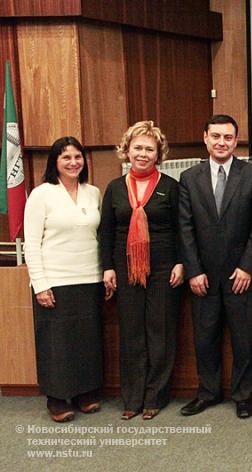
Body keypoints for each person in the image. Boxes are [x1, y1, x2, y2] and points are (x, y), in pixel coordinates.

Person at [178, 114, 252, 419]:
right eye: (215, 136)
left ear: (236, 141)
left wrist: (248, 267)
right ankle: (208, 393)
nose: (221, 142)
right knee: (205, 339)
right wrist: (193, 269)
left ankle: (243, 396)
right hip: (203, 276)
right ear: (205, 137)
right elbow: (185, 228)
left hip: (242, 276)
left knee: (244, 340)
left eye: (228, 137)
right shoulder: (189, 178)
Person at [99, 121, 184, 420]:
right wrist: (107, 268)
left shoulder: (171, 187)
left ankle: (155, 396)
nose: (143, 154)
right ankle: (132, 398)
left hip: (164, 268)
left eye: (150, 149)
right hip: (125, 269)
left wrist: (181, 262)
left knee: (160, 333)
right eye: (138, 148)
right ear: (127, 151)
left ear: (159, 154)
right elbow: (106, 232)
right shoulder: (114, 188)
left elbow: (181, 230)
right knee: (132, 333)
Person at [24, 136, 110, 422]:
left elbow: (99, 237)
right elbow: (31, 243)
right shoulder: (41, 194)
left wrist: (105, 274)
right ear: (55, 162)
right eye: (66, 158)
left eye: (77, 157)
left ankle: (85, 392)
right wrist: (40, 283)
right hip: (55, 281)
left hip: (89, 277)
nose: (73, 162)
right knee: (56, 343)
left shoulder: (93, 192)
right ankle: (57, 398)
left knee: (86, 340)